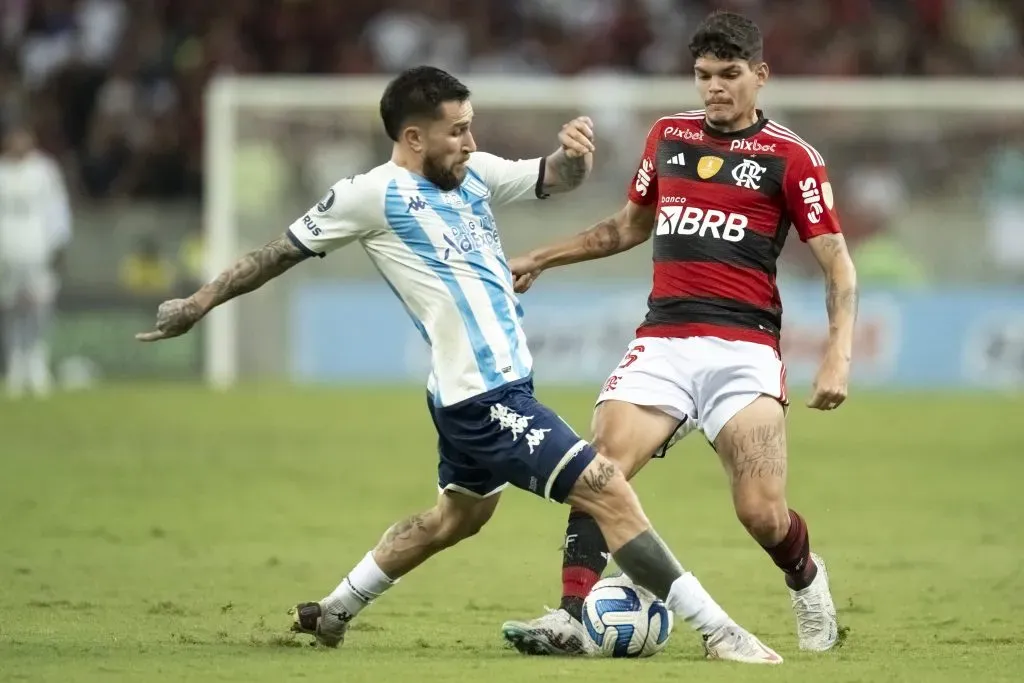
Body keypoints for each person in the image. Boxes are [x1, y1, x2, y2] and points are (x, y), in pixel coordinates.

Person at [136, 66, 781, 663]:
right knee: (607, 487)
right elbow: (278, 252)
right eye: (458, 130)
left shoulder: (471, 174)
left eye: (471, 126)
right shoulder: (371, 195)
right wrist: (198, 302)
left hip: (484, 389)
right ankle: (719, 631)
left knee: (458, 517)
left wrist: (577, 158)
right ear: (414, 137)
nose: (472, 141)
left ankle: (335, 609)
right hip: (483, 396)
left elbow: (552, 176)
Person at [501, 10, 856, 656]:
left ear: (761, 75)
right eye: (703, 75)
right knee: (597, 467)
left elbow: (839, 264)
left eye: (729, 74)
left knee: (761, 512)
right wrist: (541, 257)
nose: (714, 87)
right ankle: (571, 614)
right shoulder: (668, 137)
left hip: (743, 349)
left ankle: (805, 577)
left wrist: (837, 356)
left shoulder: (792, 159)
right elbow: (626, 228)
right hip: (663, 340)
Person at [0, 122, 72, 399]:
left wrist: (59, 244)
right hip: (6, 250)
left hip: (37, 248)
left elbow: (58, 208)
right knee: (9, 309)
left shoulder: (44, 170)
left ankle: (38, 365)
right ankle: (15, 366)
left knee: (40, 308)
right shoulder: (2, 171)